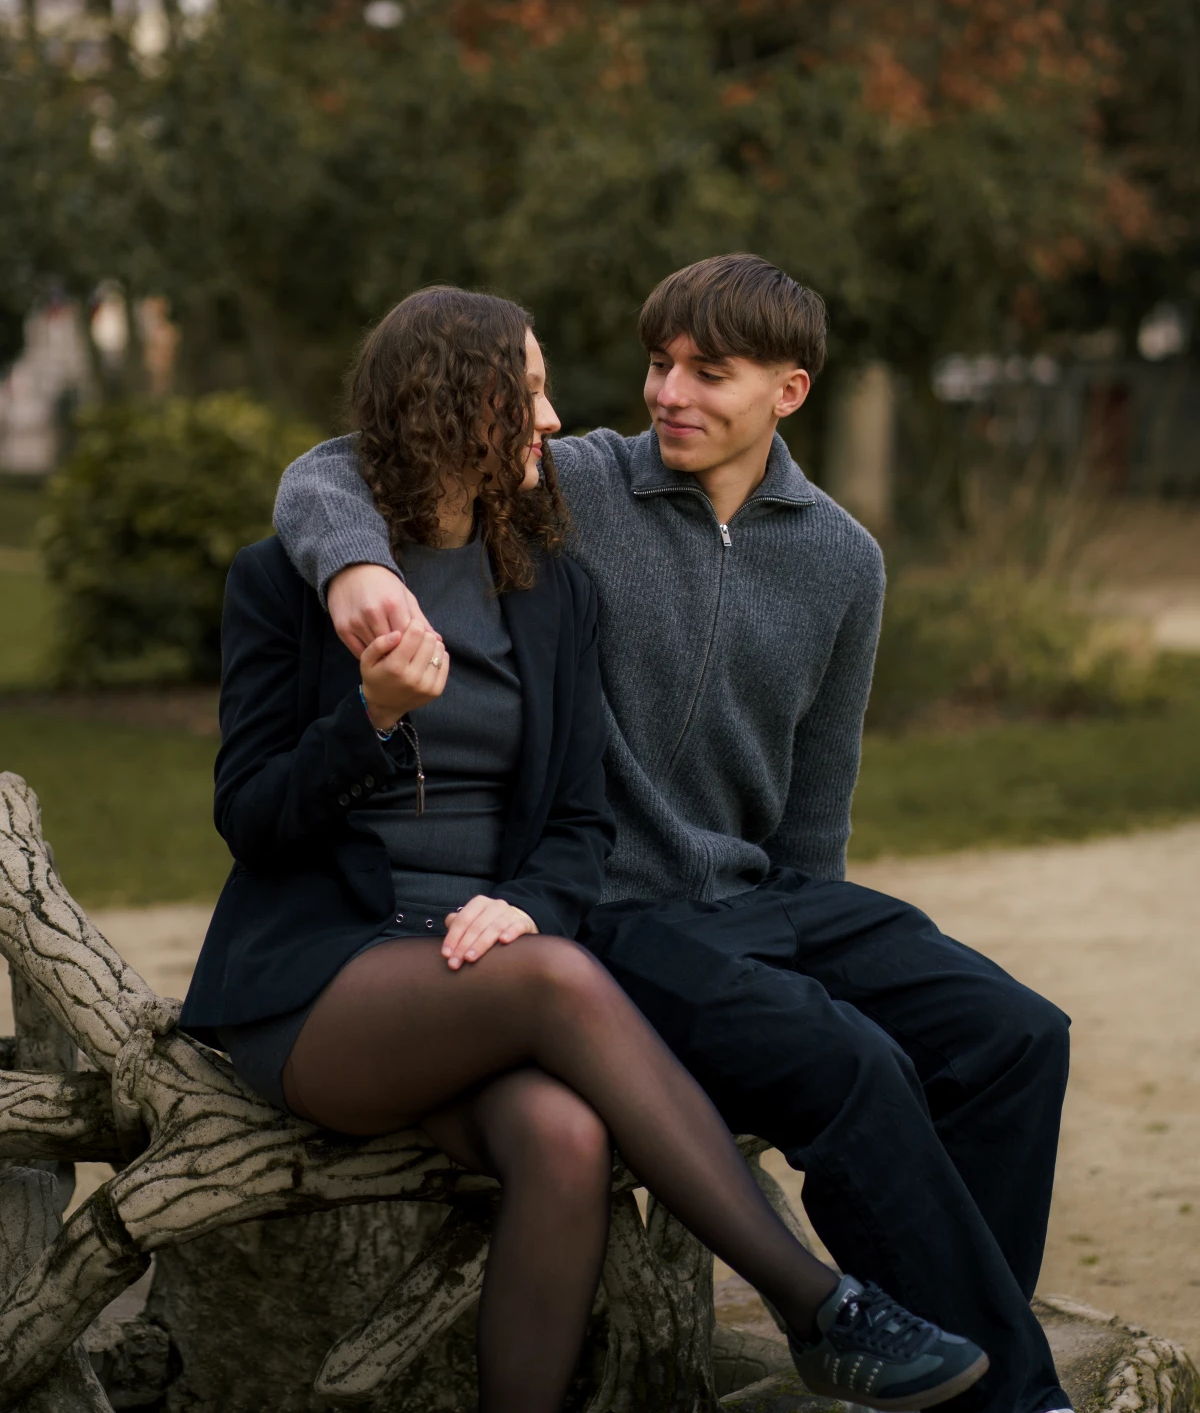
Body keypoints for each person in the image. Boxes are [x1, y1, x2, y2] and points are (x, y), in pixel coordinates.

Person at [272, 257, 1074, 1413]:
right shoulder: (578, 486)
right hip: (612, 909)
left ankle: (951, 1355)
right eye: (660, 363)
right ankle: (1009, 1396)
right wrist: (353, 566)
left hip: (766, 902)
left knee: (1015, 1034)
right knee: (848, 1063)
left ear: (788, 393)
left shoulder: (844, 559)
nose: (668, 392)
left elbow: (818, 796)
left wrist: (815, 946)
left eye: (709, 372)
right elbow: (331, 466)